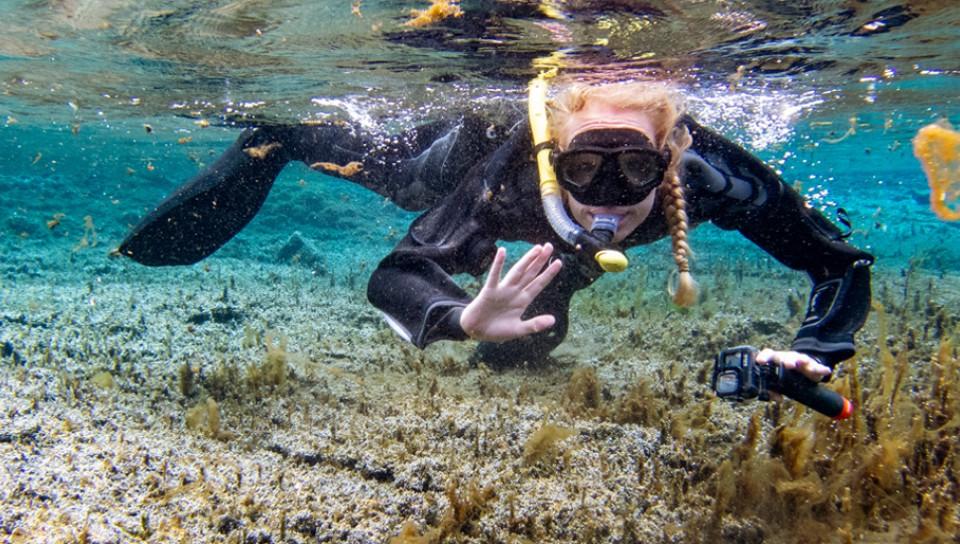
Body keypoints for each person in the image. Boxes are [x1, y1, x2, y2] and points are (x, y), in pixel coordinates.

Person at [117, 79, 873, 387]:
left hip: (546, 238)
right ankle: (273, 142)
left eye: (635, 169)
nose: (605, 198)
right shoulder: (505, 175)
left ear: (670, 157)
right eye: (584, 170)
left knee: (524, 344)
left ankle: (547, 293)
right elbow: (400, 269)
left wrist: (815, 352)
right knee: (373, 164)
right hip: (440, 164)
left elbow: (840, 265)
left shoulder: (713, 176)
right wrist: (457, 317)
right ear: (552, 158)